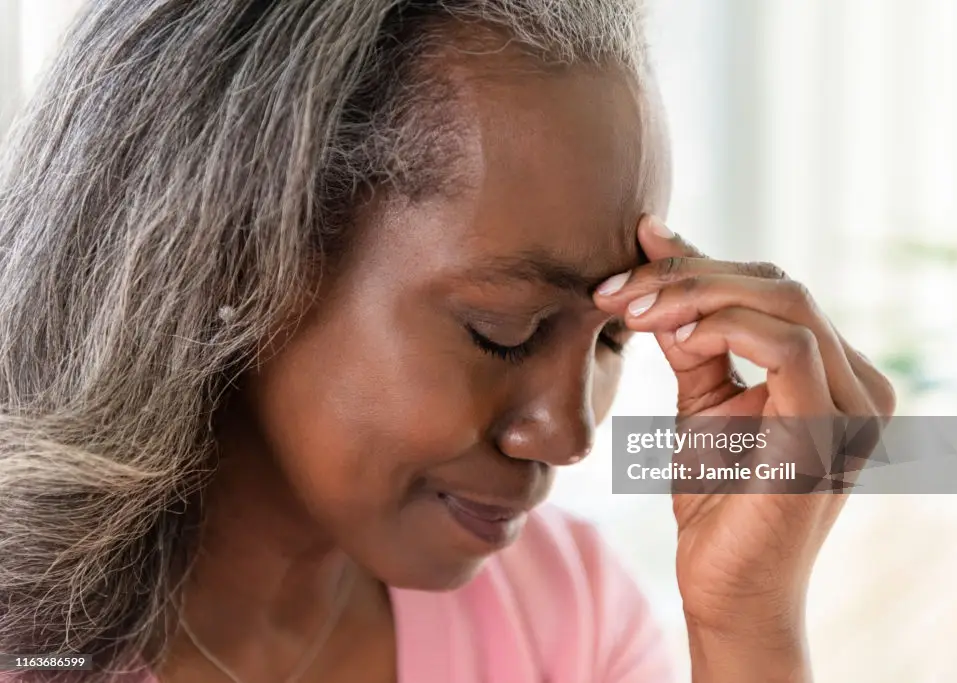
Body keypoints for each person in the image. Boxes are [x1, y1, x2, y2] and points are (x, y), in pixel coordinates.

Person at [0, 1, 896, 681]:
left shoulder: (567, 621)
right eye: (503, 331)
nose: (570, 436)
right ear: (233, 259)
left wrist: (747, 623)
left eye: (613, 339)